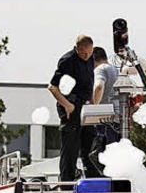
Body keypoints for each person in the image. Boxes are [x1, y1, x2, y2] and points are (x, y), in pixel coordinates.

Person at [48, 34, 97, 183]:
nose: (86, 55)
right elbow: (53, 87)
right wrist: (68, 106)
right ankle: (66, 183)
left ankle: (93, 179)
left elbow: (90, 84)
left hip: (86, 106)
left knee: (90, 143)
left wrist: (93, 104)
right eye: (83, 52)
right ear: (77, 48)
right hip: (70, 105)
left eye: (89, 52)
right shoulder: (67, 61)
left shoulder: (90, 59)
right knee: (71, 146)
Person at [92, 45, 121, 150]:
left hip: (104, 117)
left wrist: (94, 106)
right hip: (117, 118)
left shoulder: (100, 69)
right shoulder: (115, 70)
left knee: (101, 153)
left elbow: (99, 87)